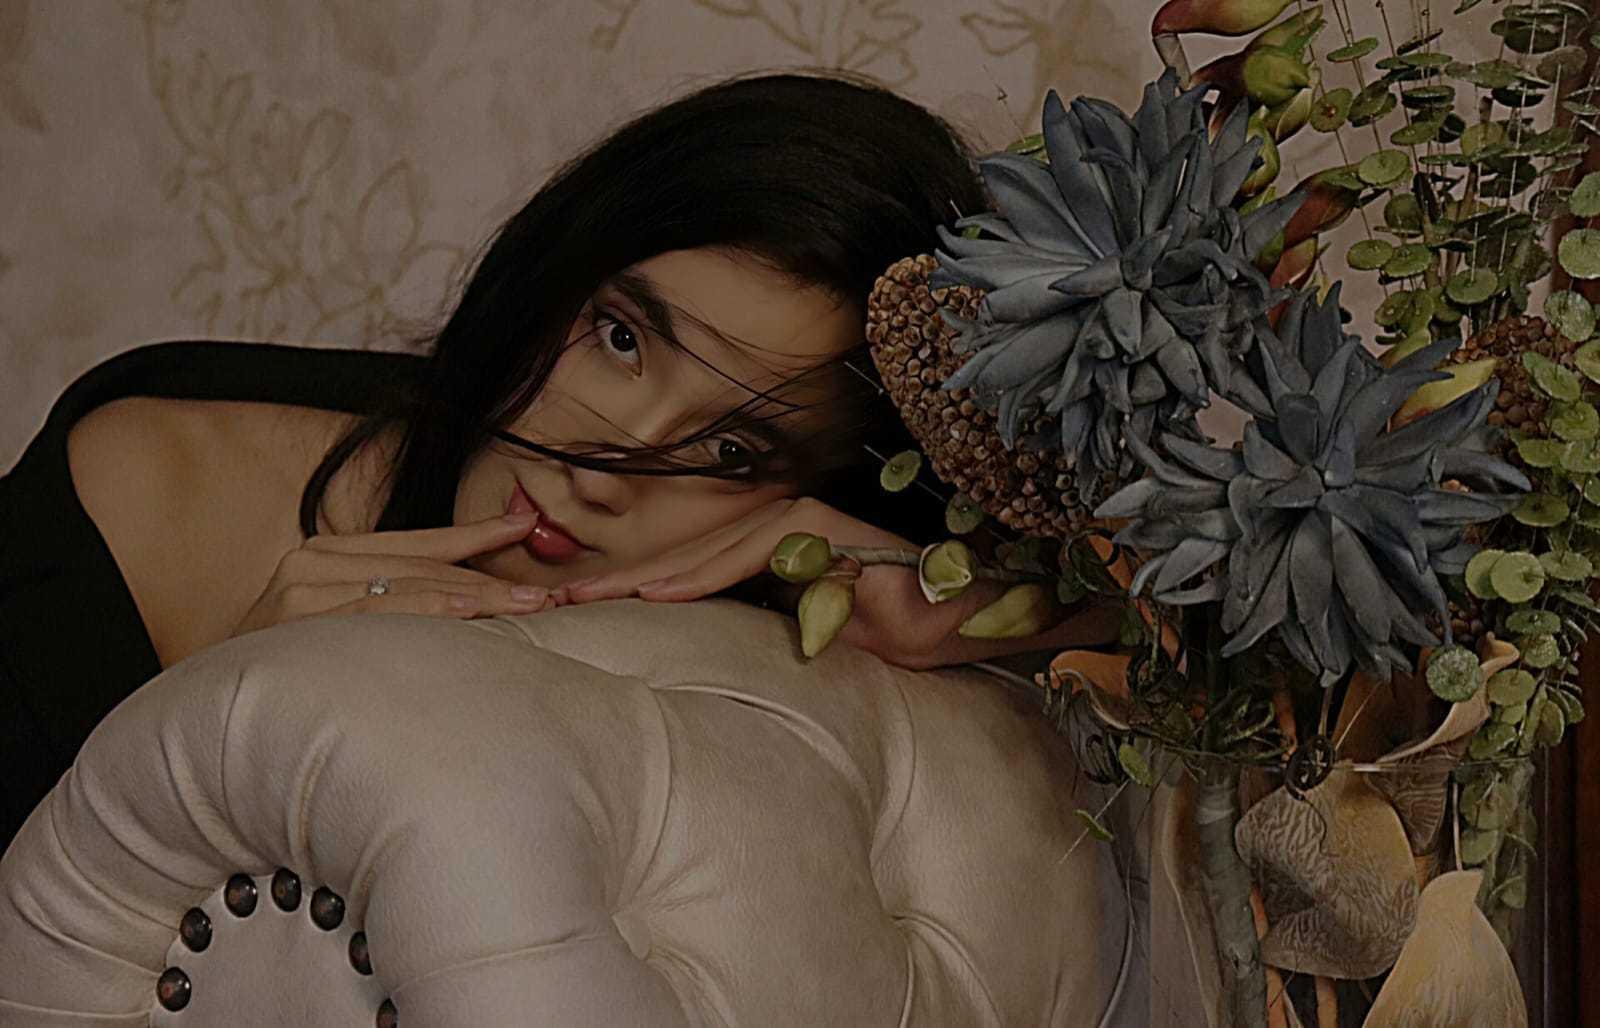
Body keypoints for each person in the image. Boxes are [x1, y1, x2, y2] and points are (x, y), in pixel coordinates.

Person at [0, 68, 1121, 852]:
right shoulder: (153, 488)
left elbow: (1188, 648)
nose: (606, 466)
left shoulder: (761, 660)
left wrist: (961, 598)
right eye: (622, 338)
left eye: (731, 449)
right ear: (552, 273)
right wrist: (212, 733)